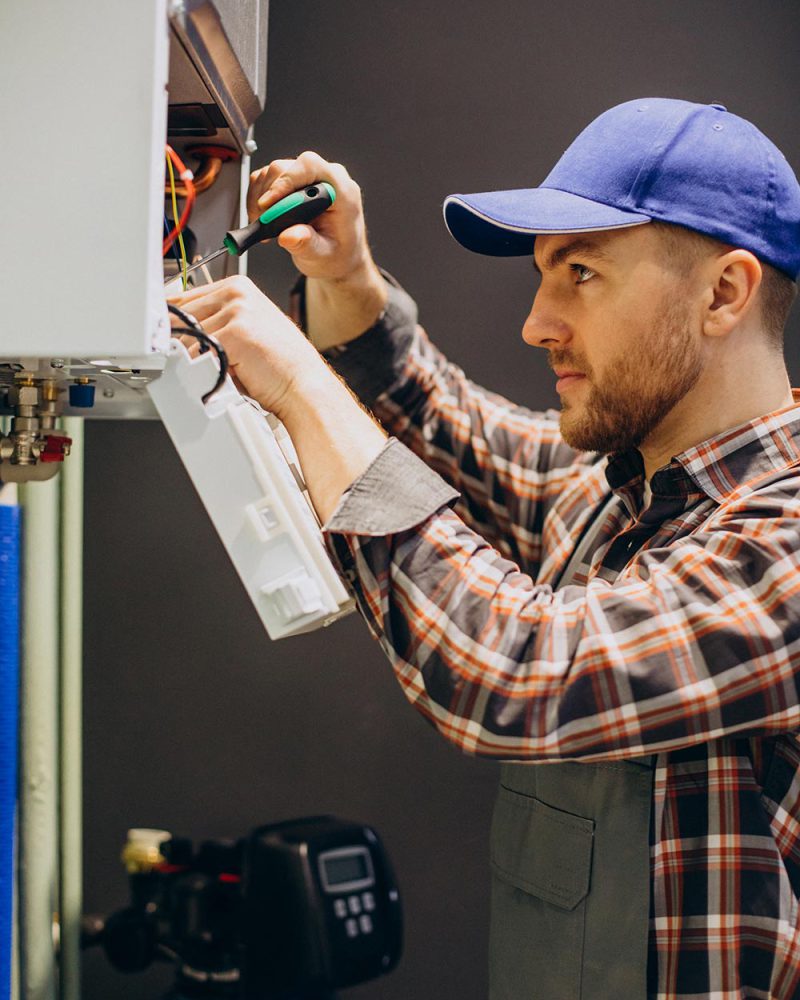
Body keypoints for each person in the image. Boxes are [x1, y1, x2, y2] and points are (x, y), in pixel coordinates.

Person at [169, 98, 800, 999]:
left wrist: (301, 385)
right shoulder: (615, 489)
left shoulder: (784, 542)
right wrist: (346, 280)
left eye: (580, 273)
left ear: (724, 293)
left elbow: (519, 671)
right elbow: (449, 425)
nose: (536, 323)